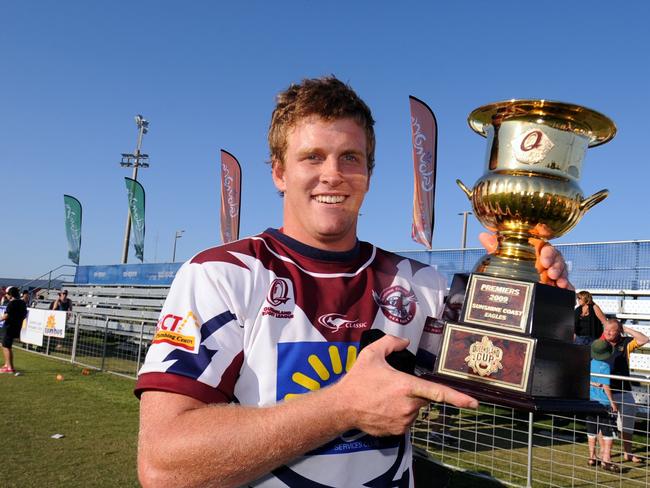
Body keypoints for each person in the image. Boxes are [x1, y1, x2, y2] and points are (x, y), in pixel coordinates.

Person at [135, 76, 571, 487]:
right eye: (312, 156)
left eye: (351, 158)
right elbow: (163, 465)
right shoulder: (223, 274)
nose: (333, 174)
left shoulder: (422, 285)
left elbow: (503, 377)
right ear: (278, 172)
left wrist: (531, 293)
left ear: (369, 173)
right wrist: (344, 406)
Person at [603, 318, 649, 463]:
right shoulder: (600, 344)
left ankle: (628, 453)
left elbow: (644, 339)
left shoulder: (625, 343)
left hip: (625, 390)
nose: (608, 332)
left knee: (627, 424)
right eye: (606, 329)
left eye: (612, 330)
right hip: (606, 391)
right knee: (606, 424)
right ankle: (605, 454)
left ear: (619, 332)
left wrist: (626, 329)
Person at [586, 339, 619, 472]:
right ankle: (606, 460)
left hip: (590, 401)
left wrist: (593, 384)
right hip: (603, 402)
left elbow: (587, 379)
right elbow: (606, 386)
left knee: (591, 430)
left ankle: (591, 457)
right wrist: (612, 402)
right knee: (608, 431)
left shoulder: (590, 363)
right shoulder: (604, 366)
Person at [1, 286, 28, 373]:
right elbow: (24, 315)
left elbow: (6, 316)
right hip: (17, 327)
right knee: (6, 345)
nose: (7, 296)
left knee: (6, 346)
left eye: (7, 294)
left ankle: (10, 368)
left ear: (11, 295)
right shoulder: (23, 303)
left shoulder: (11, 303)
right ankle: (6, 365)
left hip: (9, 327)